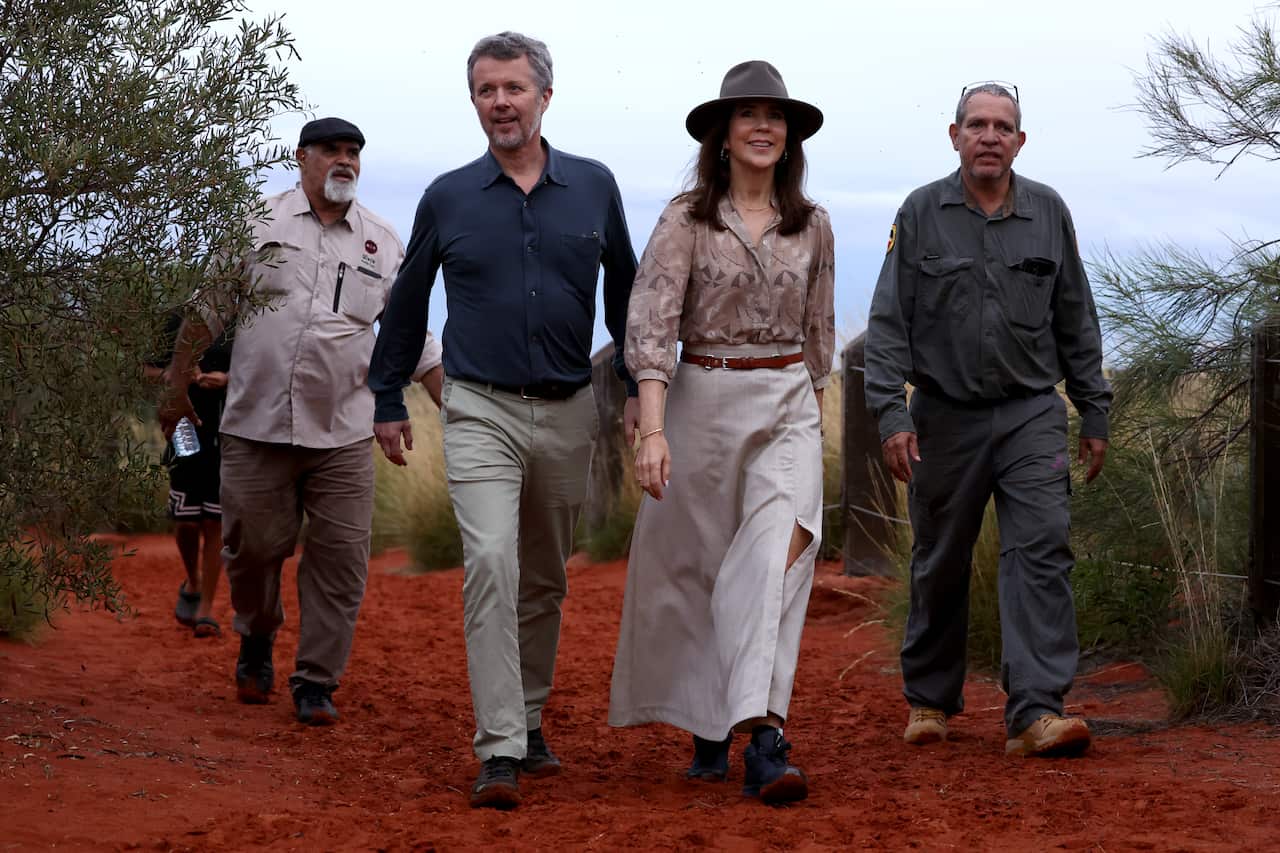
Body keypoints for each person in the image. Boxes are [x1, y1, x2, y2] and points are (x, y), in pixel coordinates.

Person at [368, 31, 640, 810]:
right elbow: (409, 300)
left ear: (545, 97)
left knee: (545, 576)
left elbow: (626, 292)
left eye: (513, 88)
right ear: (475, 103)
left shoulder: (595, 186)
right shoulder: (448, 196)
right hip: (477, 404)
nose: (500, 102)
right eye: (486, 91)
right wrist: (388, 396)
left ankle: (526, 716)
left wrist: (634, 390)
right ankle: (499, 747)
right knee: (490, 561)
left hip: (569, 411)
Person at [160, 117, 443, 726]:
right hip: (255, 428)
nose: (345, 161)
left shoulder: (383, 242)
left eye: (353, 153)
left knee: (341, 561)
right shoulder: (255, 223)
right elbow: (209, 306)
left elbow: (410, 337)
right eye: (331, 151)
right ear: (302, 158)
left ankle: (316, 680)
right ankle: (257, 635)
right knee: (252, 552)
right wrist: (174, 382)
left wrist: (459, 409)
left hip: (342, 431)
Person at [608, 60, 834, 805]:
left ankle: (764, 739)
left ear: (790, 137)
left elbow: (820, 335)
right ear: (723, 135)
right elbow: (652, 322)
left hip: (789, 402)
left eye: (777, 116)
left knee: (779, 559)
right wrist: (651, 428)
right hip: (702, 395)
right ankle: (711, 722)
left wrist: (815, 411)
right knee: (707, 571)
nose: (764, 126)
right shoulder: (685, 219)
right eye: (749, 115)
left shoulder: (815, 224)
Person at [863, 82, 1112, 757]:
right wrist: (890, 413)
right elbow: (887, 323)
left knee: (1041, 549)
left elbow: (1075, 317)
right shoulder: (920, 213)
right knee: (940, 558)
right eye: (978, 124)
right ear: (955, 135)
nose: (990, 136)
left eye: (1003, 126)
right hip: (943, 414)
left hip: (1032, 411)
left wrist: (1094, 407)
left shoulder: (1047, 212)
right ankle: (930, 699)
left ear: (1020, 141)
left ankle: (1036, 712)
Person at [145, 310, 232, 638]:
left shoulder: (240, 324)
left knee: (214, 520)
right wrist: (175, 374)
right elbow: (147, 368)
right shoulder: (175, 319)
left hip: (227, 429)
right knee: (185, 519)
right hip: (183, 426)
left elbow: (258, 373)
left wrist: (225, 379)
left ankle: (206, 609)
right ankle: (193, 580)